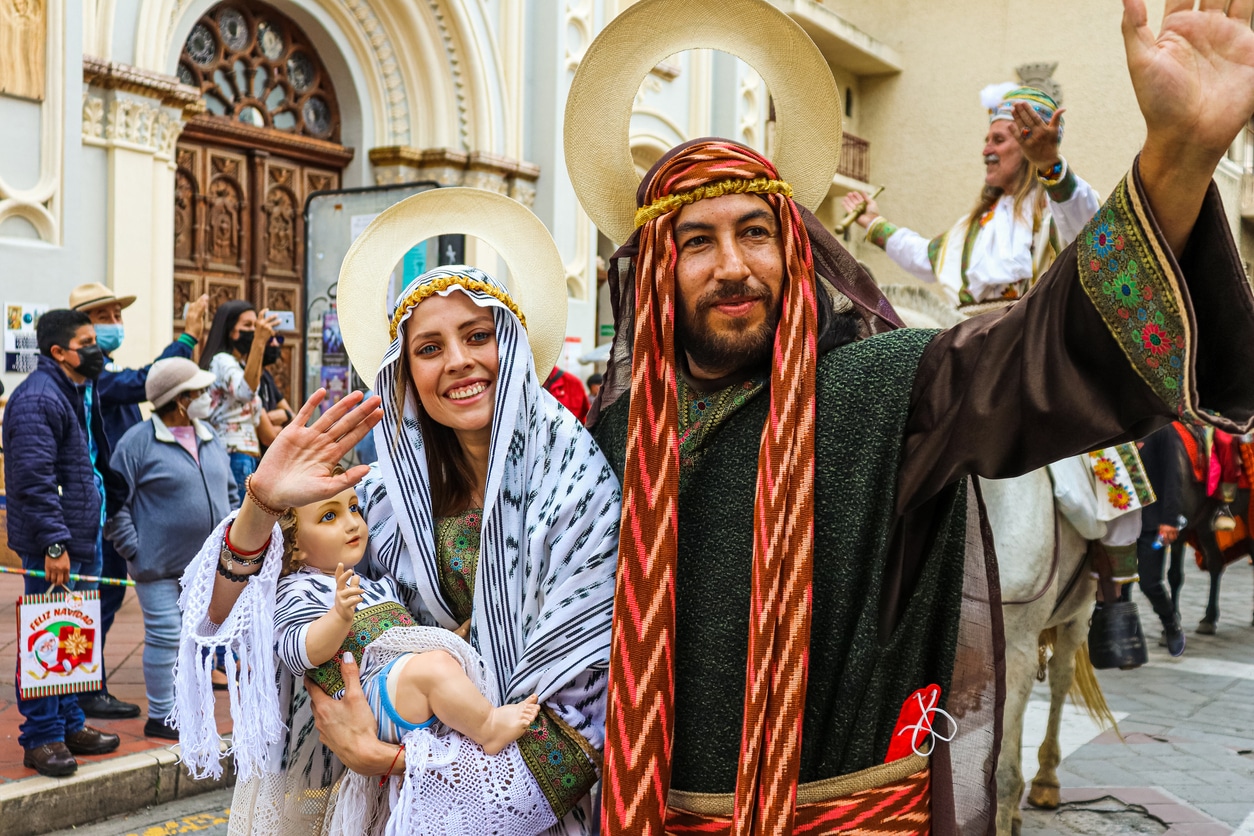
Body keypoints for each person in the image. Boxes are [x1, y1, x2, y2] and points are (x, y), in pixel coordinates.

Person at [558, 0, 1254, 832]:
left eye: (756, 232)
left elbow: (1039, 350)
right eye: (698, 241)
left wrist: (1179, 155)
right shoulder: (611, 435)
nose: (735, 265)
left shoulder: (883, 391)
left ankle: (1114, 593)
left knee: (1095, 496)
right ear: (656, 269)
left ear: (796, 249)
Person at [174, 263, 620, 834]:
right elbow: (228, 617)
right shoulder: (386, 503)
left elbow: (577, 735)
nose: (458, 360)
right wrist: (261, 505)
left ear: (510, 345)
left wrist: (388, 760)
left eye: (477, 335)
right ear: (406, 373)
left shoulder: (577, 495)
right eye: (430, 347)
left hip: (531, 811)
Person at [271, 484, 541, 752]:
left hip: (402, 687)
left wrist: (449, 638)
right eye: (329, 516)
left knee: (443, 663)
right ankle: (489, 727)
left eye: (354, 508)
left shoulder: (377, 586)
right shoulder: (297, 590)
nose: (353, 523)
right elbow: (299, 652)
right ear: (293, 546)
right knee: (434, 667)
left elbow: (409, 633)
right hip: (369, 701)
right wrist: (339, 617)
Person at [68, 282, 210, 720]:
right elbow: (144, 384)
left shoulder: (103, 377)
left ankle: (85, 685)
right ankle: (81, 690)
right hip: (99, 515)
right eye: (104, 318)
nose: (115, 326)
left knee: (103, 600)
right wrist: (185, 338)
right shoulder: (96, 381)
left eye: (117, 317)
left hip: (113, 511)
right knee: (94, 600)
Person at [844, 86, 1101, 313]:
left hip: (1036, 347)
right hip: (971, 345)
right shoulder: (978, 224)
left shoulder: (1057, 208)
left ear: (1029, 146)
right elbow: (926, 256)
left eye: (998, 140)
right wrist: (874, 222)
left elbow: (1088, 225)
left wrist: (1049, 164)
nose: (986, 150)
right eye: (987, 140)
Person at [1, 309, 122, 776]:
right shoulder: (38, 398)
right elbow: (33, 481)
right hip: (56, 544)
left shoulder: (73, 389)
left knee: (73, 634)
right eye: (87, 342)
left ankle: (70, 722)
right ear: (59, 351)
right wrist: (54, 545)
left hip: (79, 536)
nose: (97, 349)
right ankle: (41, 737)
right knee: (45, 636)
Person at [107, 358, 237, 739]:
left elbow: (229, 490)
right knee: (165, 635)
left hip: (204, 568)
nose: (207, 398)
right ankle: (161, 714)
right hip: (157, 566)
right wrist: (133, 547)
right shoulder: (136, 442)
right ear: (181, 400)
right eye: (199, 392)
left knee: (195, 638)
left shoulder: (209, 437)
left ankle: (186, 709)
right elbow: (116, 502)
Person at [198, 301, 281, 493]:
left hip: (247, 458)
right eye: (248, 326)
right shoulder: (222, 361)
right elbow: (245, 392)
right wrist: (259, 342)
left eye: (256, 325)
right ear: (230, 330)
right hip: (233, 455)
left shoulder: (240, 365)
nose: (254, 330)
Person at [1136, 424, 1190, 656]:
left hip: (1152, 522)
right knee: (1119, 584)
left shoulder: (1161, 429)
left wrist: (1169, 519)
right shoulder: (1116, 426)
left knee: (1149, 582)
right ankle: (1127, 636)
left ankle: (1171, 623)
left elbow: (1172, 477)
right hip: (1119, 522)